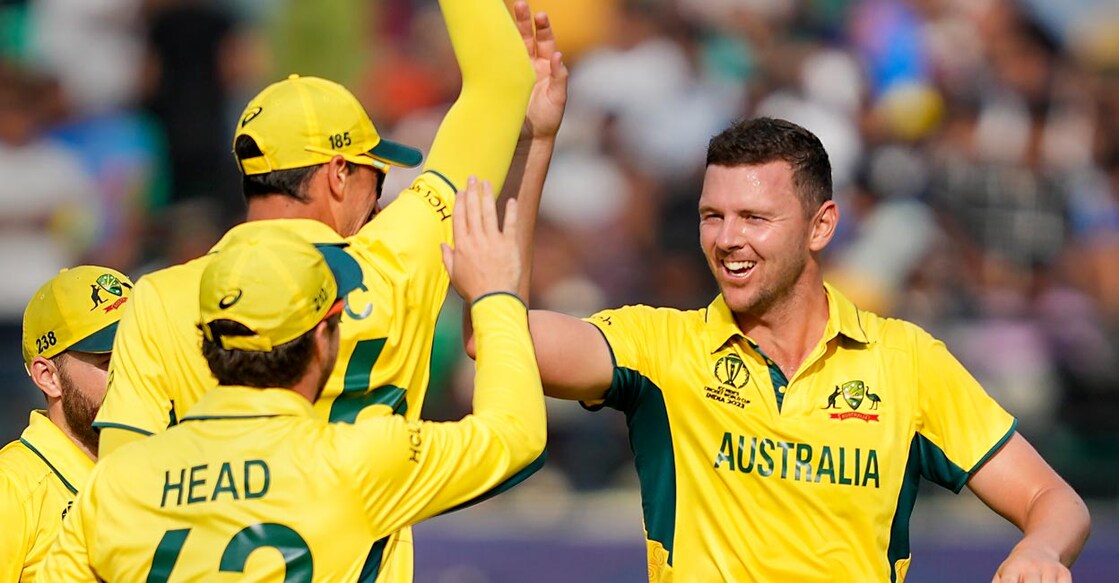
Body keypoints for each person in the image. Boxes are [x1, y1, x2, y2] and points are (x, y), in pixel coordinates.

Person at [490, 117, 1090, 582]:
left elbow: (1054, 499)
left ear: (821, 226)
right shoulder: (660, 347)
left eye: (754, 217)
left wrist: (1038, 548)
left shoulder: (906, 361)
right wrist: (536, 142)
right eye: (712, 216)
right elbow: (496, 334)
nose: (728, 239)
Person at [92, 2, 564, 579]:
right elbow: (503, 83)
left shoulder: (161, 296)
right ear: (339, 173)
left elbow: (118, 484)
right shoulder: (399, 256)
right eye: (376, 173)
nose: (382, 197)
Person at [41, 188, 546, 580]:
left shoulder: (115, 483)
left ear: (207, 340)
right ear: (323, 338)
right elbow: (517, 433)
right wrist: (495, 296)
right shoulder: (358, 460)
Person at [0, 266, 133, 581]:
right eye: (109, 361)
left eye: (140, 353)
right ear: (48, 377)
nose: (132, 374)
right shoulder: (12, 488)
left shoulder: (162, 468)